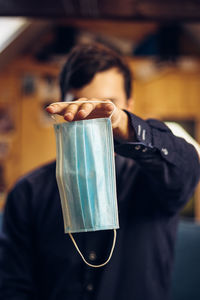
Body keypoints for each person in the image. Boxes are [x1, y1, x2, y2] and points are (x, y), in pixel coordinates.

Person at [0, 43, 199, 300]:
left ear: (128, 104)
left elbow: (187, 168)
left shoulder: (153, 180)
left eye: (106, 105)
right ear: (62, 107)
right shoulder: (28, 192)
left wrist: (125, 126)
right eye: (79, 104)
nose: (91, 115)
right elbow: (13, 286)